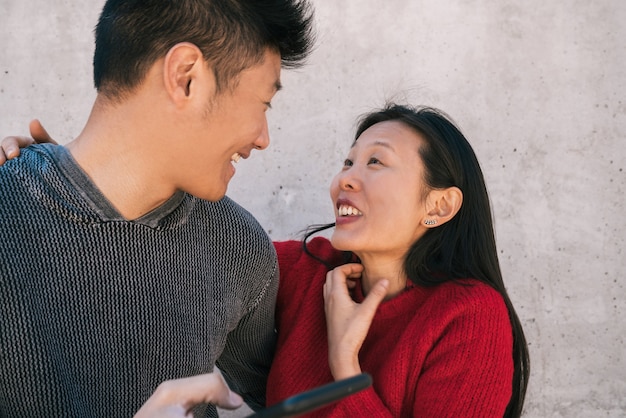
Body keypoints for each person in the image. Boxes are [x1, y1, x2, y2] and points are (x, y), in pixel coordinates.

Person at [4, 103, 531, 417]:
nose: (345, 178)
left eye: (376, 163)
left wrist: (346, 368)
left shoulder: (469, 317)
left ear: (438, 205)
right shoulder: (304, 270)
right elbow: (179, 249)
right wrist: (72, 183)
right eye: (348, 161)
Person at [0, 0, 314, 417]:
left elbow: (278, 398)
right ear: (186, 77)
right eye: (263, 104)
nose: (262, 138)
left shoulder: (239, 248)